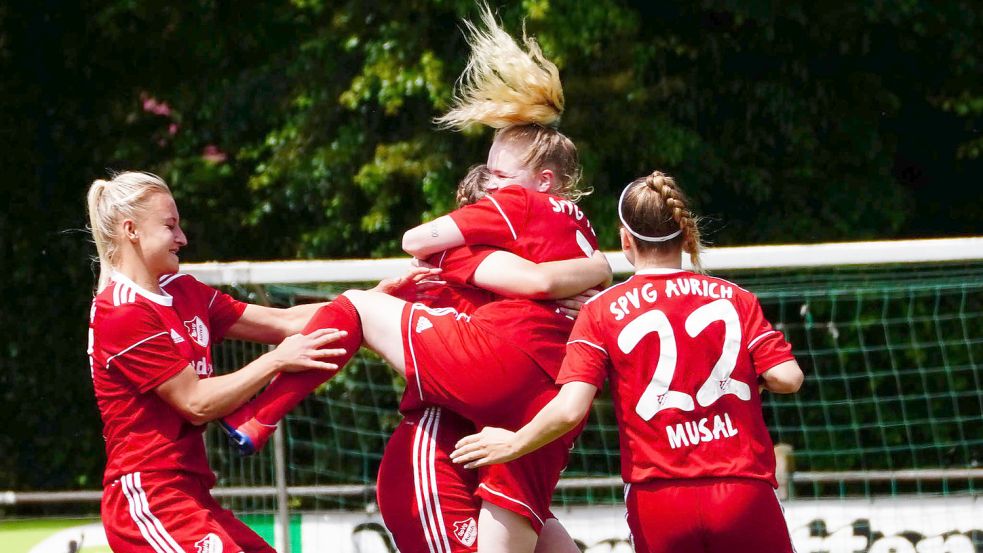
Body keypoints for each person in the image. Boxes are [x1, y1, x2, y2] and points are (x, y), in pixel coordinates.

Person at [222, 7, 610, 550]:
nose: (495, 194)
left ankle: (260, 417)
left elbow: (479, 263)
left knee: (356, 304)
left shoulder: (493, 235)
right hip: (540, 401)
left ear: (533, 184)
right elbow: (565, 278)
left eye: (499, 180)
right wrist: (597, 271)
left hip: (488, 393)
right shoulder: (581, 237)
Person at [450, 170, 805, 553]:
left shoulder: (600, 311)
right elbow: (788, 378)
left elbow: (570, 410)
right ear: (686, 235)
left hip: (659, 498)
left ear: (625, 240)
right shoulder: (735, 297)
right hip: (742, 490)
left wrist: (514, 443)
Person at [86, 171, 352, 553]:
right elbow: (195, 403)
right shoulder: (121, 311)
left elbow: (285, 321)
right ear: (131, 230)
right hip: (149, 497)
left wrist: (370, 303)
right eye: (170, 226)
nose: (183, 238)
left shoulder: (186, 292)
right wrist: (275, 362)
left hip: (190, 493)